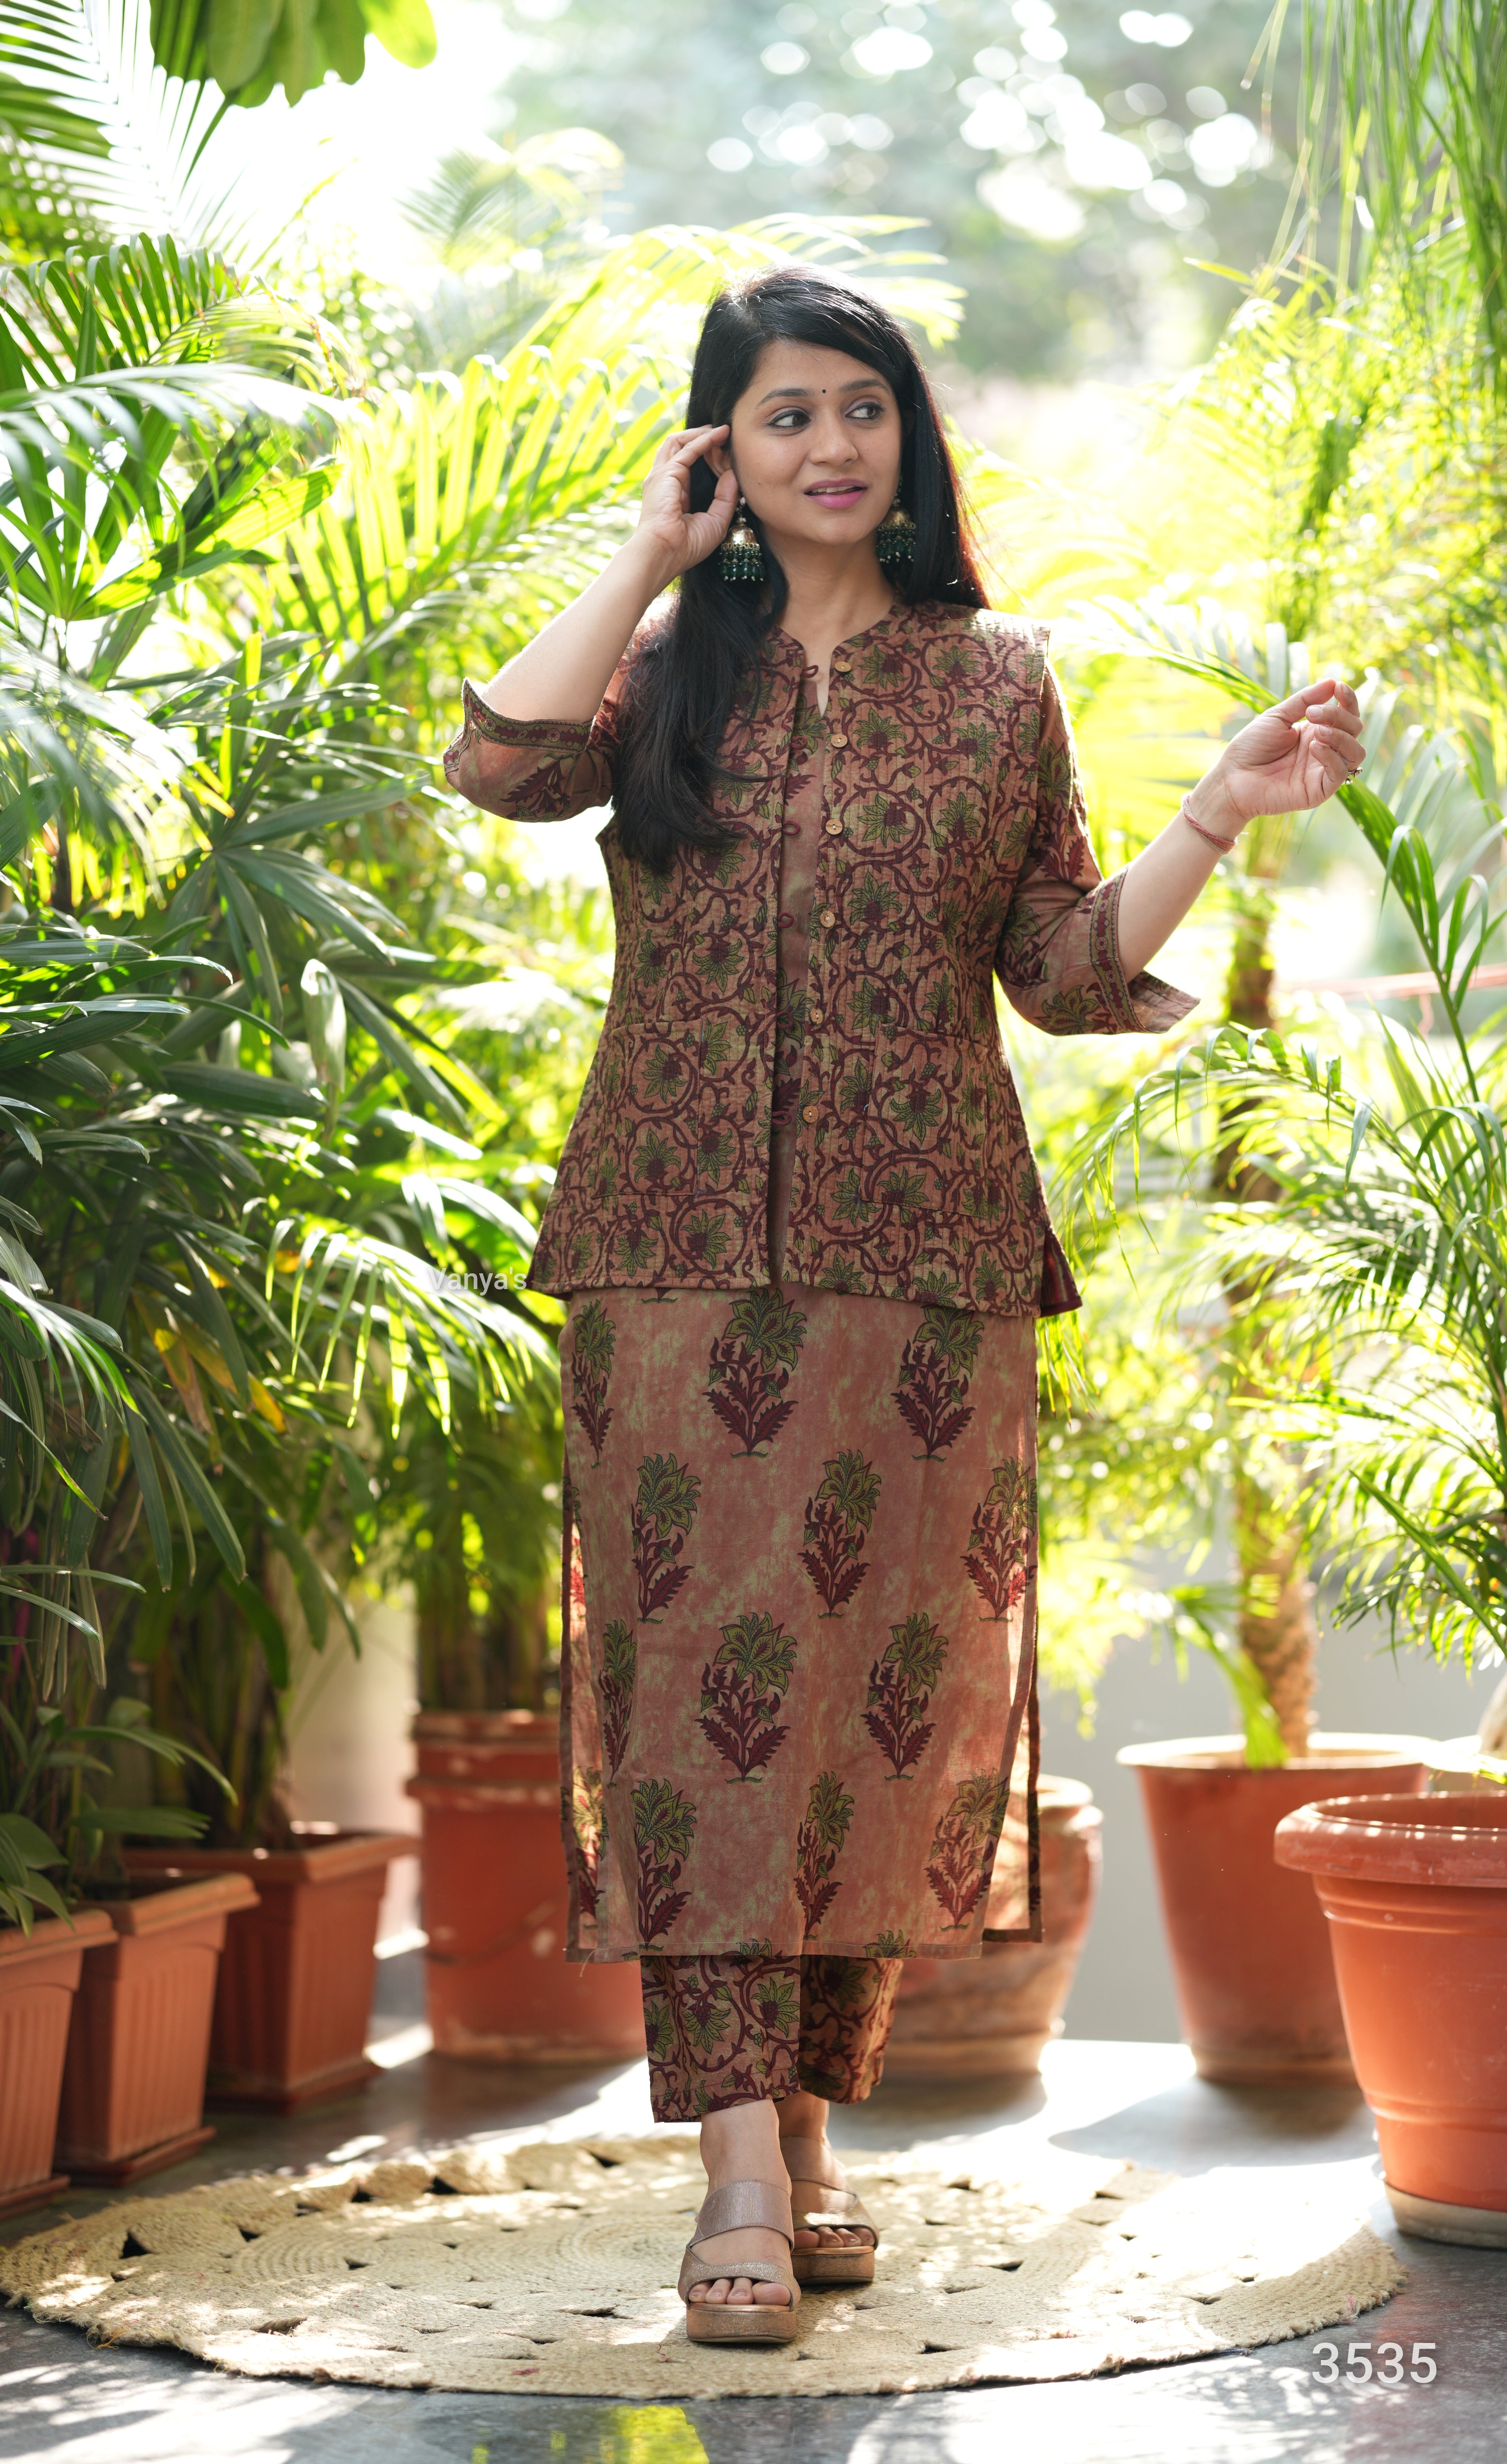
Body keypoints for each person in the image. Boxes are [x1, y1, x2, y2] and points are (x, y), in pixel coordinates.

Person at [443, 265, 1364, 2347]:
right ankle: (734, 2170)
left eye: (859, 407)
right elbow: (499, 765)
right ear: (725, 448)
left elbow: (1061, 969)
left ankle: (806, 2124)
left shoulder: (996, 680)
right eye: (782, 414)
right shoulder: (662, 670)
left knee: (874, 1701)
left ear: (910, 437)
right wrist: (644, 553)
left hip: (923, 1256)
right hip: (674, 1242)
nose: (829, 445)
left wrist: (1218, 810)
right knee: (696, 1703)